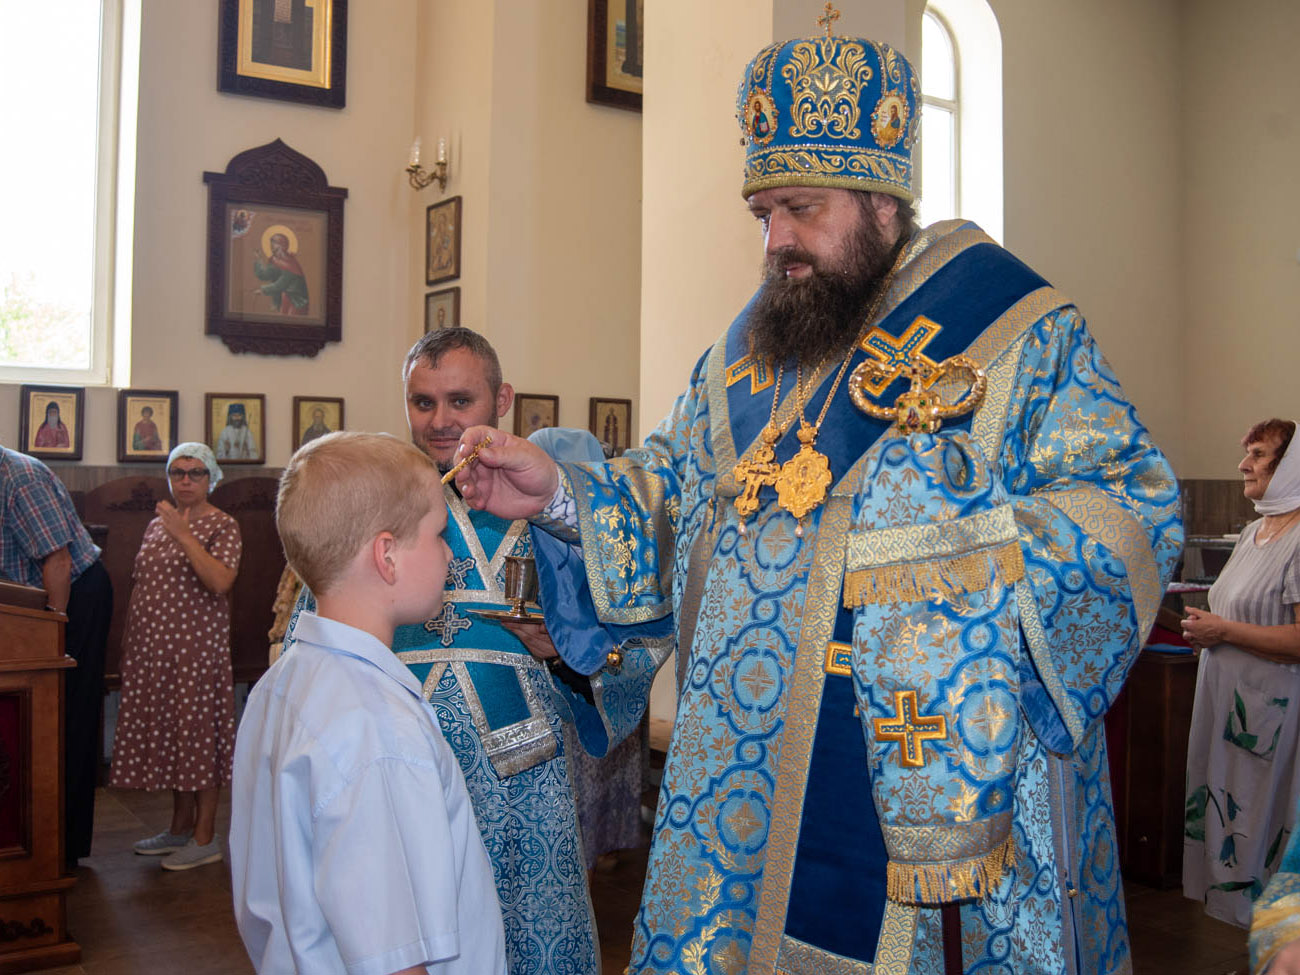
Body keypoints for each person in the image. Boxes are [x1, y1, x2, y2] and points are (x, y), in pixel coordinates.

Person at [453, 22, 1183, 975]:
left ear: (883, 201)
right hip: (741, 795)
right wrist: (557, 492)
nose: (777, 240)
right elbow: (673, 488)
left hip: (923, 781)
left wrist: (956, 567)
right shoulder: (749, 351)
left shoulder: (1013, 326)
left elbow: (1133, 503)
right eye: (763, 211)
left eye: (802, 207)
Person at [282, 328, 667, 975]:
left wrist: (563, 654)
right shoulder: (369, 505)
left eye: (459, 400)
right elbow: (318, 637)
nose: (440, 420)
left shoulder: (549, 508)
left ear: (502, 399)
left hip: (524, 783)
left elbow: (625, 646)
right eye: (423, 402)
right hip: (394, 771)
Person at [231, 432, 506, 975]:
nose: (450, 554)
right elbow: (392, 960)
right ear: (387, 556)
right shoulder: (376, 730)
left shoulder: (280, 684)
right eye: (438, 534)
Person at [1183, 418, 1300, 927]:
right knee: (1233, 819)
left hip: (1272, 713)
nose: (1243, 465)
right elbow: (1234, 613)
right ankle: (1254, 942)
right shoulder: (1254, 531)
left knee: (1264, 822)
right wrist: (1208, 633)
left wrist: (1224, 631)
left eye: (1258, 454)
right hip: (1227, 702)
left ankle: (1279, 946)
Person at [524, 427, 648, 876]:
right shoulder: (523, 522)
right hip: (558, 686)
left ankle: (599, 850)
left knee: (600, 776)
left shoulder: (623, 532)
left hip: (605, 682)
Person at [110, 443, 240, 870]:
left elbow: (220, 581)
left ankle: (205, 837)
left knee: (199, 740)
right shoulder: (155, 525)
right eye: (177, 472)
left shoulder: (223, 525)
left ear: (211, 478)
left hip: (196, 654)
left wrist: (185, 537)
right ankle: (180, 827)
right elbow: (143, 585)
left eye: (195, 472)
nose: (185, 480)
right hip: (155, 654)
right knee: (176, 738)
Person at [0, 445, 112, 866]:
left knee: (65, 718)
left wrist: (51, 636)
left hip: (73, 596)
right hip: (28, 602)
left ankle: (60, 849)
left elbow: (59, 561)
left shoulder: (20, 479)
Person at [252, 231, 308, 316]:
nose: (271, 246)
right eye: (271, 243)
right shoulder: (275, 260)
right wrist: (258, 260)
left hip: (296, 302)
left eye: (275, 243)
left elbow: (281, 285)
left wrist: (262, 290)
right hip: (283, 300)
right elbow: (264, 275)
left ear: (282, 245)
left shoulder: (290, 263)